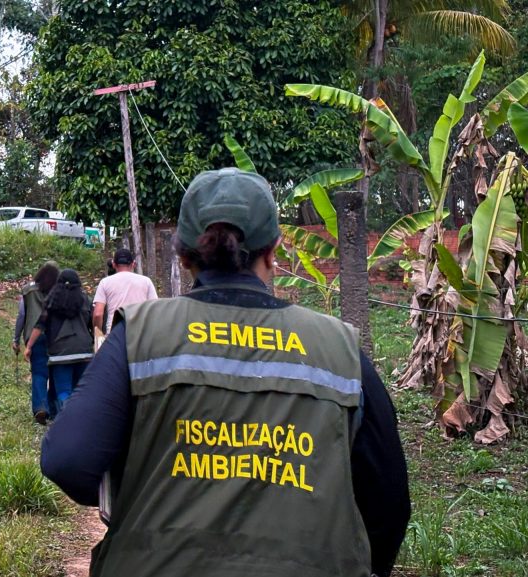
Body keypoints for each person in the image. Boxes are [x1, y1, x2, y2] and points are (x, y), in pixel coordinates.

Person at [40, 168, 410, 577]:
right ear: (273, 251)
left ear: (182, 255)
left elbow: (68, 460)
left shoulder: (140, 335)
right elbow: (389, 500)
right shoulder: (337, 348)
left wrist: (143, 495)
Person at [25, 268, 93, 414]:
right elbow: (93, 322)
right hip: (84, 351)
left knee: (63, 391)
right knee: (81, 390)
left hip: (60, 353)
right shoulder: (85, 300)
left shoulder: (51, 300)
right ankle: (81, 420)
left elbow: (40, 325)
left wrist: (29, 346)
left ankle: (66, 420)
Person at [14, 261, 60, 425]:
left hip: (34, 336)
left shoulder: (28, 290)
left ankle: (41, 407)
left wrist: (16, 338)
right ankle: (55, 409)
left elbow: (21, 315)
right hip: (56, 335)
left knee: (39, 373)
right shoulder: (59, 290)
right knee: (55, 372)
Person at [93, 247, 158, 334]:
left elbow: (98, 314)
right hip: (139, 334)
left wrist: (98, 334)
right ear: (133, 264)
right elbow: (155, 309)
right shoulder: (146, 281)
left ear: (114, 264)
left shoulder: (105, 282)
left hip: (115, 333)